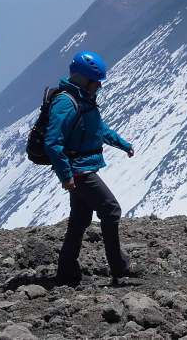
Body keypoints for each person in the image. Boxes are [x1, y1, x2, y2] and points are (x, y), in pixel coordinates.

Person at [45, 51, 145, 285]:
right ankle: (120, 267)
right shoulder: (66, 103)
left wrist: (124, 145)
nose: (99, 86)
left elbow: (100, 130)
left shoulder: (83, 101)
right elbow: (52, 141)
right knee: (110, 210)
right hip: (79, 171)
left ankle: (67, 271)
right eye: (96, 81)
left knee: (80, 219)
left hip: (83, 168)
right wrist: (65, 174)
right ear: (85, 80)